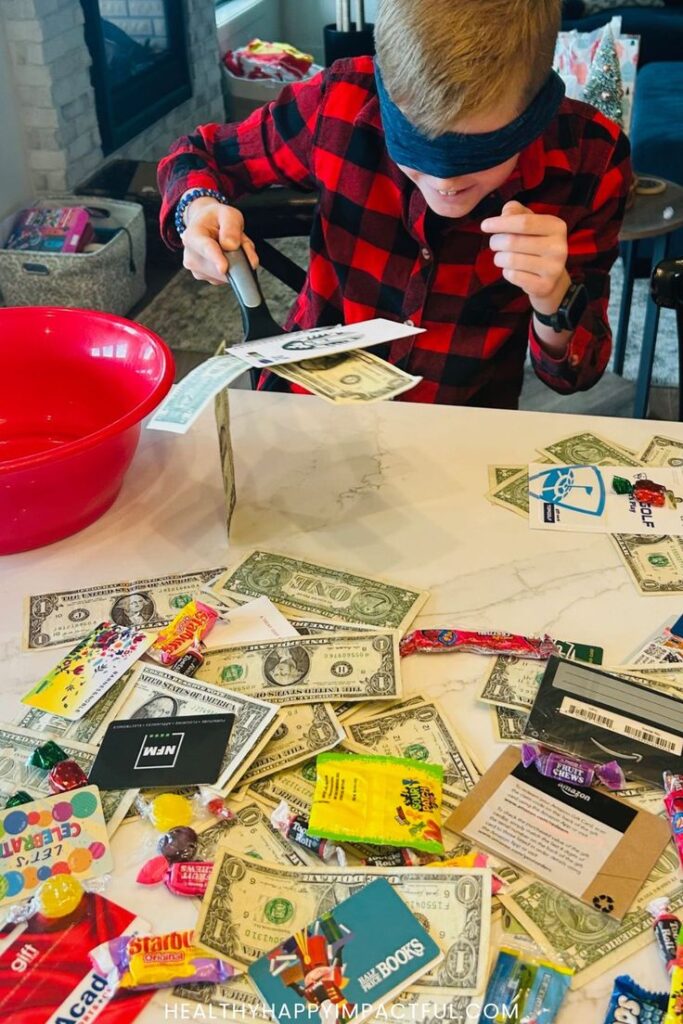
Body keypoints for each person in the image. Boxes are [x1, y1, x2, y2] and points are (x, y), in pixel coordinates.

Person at [157, 0, 631, 408]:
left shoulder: (590, 159)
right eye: (416, 151)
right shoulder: (339, 101)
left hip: (459, 423)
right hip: (303, 404)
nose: (444, 182)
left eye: (478, 156)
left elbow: (574, 375)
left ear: (536, 112)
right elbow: (197, 154)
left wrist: (554, 300)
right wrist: (197, 207)